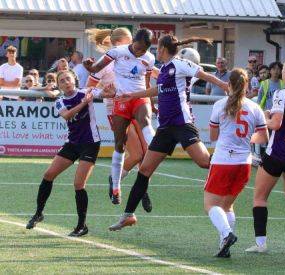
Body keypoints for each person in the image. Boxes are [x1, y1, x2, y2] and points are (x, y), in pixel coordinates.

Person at [107, 34, 228, 231]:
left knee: (204, 162)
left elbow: (203, 74)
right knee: (144, 170)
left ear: (162, 48)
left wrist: (224, 86)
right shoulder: (164, 69)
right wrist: (132, 95)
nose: (156, 51)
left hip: (182, 124)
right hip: (165, 128)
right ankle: (128, 215)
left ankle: (235, 160)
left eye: (158, 48)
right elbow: (157, 91)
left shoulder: (180, 64)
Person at [25, 70, 114, 236]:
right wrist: (84, 103)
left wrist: (109, 90)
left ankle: (82, 226)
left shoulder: (86, 91)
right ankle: (38, 213)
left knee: (78, 184)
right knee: (48, 174)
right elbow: (66, 115)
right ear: (59, 85)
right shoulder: (60, 101)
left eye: (68, 78)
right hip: (72, 143)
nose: (66, 82)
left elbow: (106, 92)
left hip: (90, 143)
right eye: (62, 81)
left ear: (74, 80)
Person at [84, 28, 156, 205]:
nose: (137, 50)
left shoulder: (145, 57)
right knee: (136, 154)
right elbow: (89, 87)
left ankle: (142, 190)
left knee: (147, 151)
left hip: (137, 100)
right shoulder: (112, 57)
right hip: (116, 107)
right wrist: (104, 92)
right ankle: (115, 182)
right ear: (122, 41)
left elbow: (150, 77)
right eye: (131, 41)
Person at [246, 58, 285, 254]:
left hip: (277, 152)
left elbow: (275, 125)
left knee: (259, 198)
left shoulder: (282, 93)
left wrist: (263, 116)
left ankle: (261, 243)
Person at [205, 68, 268, 258]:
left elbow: (213, 136)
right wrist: (246, 139)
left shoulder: (220, 104)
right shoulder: (255, 107)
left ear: (229, 84)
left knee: (210, 204)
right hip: (244, 162)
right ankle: (225, 246)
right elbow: (263, 136)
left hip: (223, 160)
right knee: (227, 206)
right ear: (247, 85)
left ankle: (226, 234)